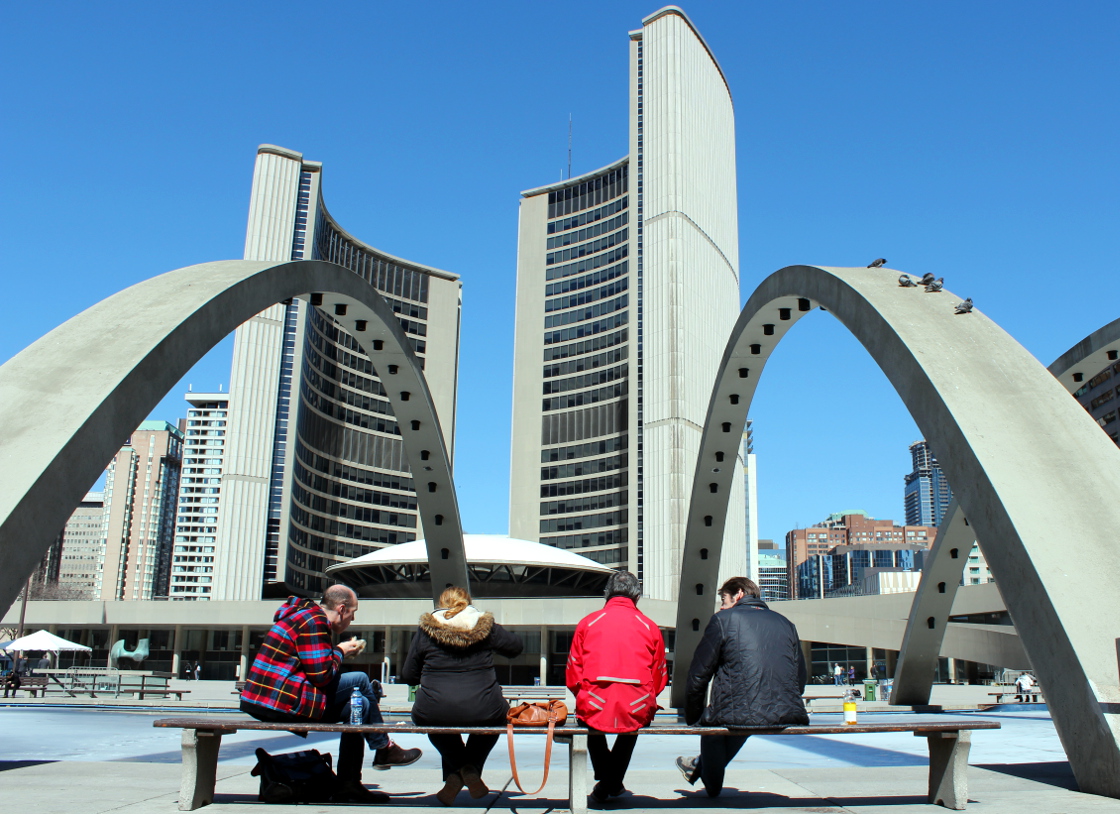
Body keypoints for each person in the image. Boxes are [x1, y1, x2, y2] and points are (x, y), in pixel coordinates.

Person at [241, 585, 421, 804]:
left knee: (361, 704)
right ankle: (383, 748)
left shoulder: (302, 616)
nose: (351, 621)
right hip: (279, 701)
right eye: (352, 614)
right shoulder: (314, 621)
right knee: (361, 680)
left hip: (270, 699)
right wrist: (341, 651)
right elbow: (321, 675)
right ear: (342, 609)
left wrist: (336, 652)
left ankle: (350, 785)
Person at [676, 577, 808, 797]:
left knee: (717, 722)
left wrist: (694, 718)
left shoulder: (723, 620)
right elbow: (800, 677)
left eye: (724, 599)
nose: (721, 606)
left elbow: (698, 675)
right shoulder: (786, 623)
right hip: (784, 711)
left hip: (743, 712)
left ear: (738, 594)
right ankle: (699, 767)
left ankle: (711, 783)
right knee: (749, 714)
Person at [400, 585, 522, 806]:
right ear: (468, 603)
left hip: (433, 708)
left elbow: (408, 674)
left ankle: (458, 772)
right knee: (493, 722)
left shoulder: (426, 631)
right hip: (485, 707)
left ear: (440, 604)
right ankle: (469, 770)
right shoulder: (485, 627)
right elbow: (516, 647)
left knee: (434, 721)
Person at [567, 570, 667, 804]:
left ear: (607, 594)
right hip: (636, 702)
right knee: (637, 719)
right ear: (637, 596)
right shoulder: (650, 626)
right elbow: (660, 673)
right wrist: (648, 696)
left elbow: (573, 669)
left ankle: (607, 779)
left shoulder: (588, 622)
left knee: (586, 717)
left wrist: (582, 693)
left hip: (594, 701)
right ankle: (611, 782)